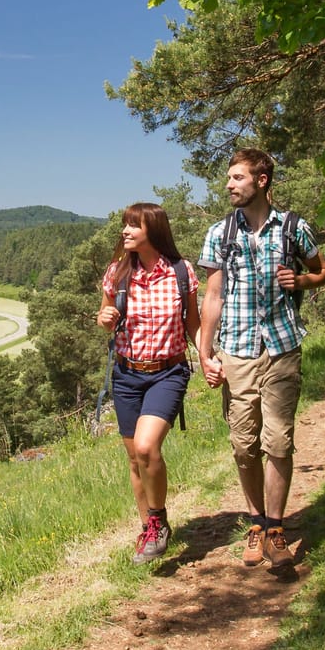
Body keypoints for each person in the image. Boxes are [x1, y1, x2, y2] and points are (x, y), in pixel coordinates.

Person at [196, 148, 325, 569]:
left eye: (237, 178)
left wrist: (302, 279)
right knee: (243, 446)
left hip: (282, 346)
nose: (229, 185)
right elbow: (213, 296)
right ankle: (255, 522)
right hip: (235, 351)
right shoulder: (220, 233)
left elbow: (321, 270)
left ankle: (274, 529)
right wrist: (204, 353)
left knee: (278, 441)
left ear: (262, 180)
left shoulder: (293, 228)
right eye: (229, 178)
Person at [97, 202, 200, 564]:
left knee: (145, 447)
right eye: (125, 225)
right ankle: (151, 531)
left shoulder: (180, 272)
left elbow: (194, 324)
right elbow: (106, 317)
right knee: (133, 459)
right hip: (126, 374)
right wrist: (106, 317)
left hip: (168, 372)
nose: (124, 231)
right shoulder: (117, 272)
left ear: (152, 230)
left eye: (132, 226)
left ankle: (156, 520)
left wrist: (208, 357)